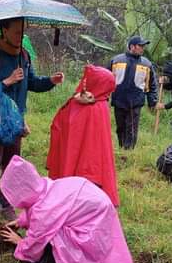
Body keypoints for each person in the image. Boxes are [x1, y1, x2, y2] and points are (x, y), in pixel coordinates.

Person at [0, 156, 140, 263]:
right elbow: (37, 205)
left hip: (91, 233)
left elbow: (35, 243)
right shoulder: (47, 186)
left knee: (46, 249)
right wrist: (21, 221)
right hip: (98, 223)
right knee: (53, 228)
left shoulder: (45, 211)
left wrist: (19, 242)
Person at [0, 17, 64, 224]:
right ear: (4, 30)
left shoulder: (24, 55)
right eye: (16, 32)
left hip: (16, 121)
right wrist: (6, 82)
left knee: (12, 165)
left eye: (23, 31)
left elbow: (32, 82)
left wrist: (50, 81)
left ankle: (7, 205)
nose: (20, 36)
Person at [46, 65, 119, 206]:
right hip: (92, 170)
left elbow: (60, 125)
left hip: (84, 167)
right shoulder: (101, 104)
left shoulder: (91, 106)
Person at [108, 36, 158, 149]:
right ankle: (122, 147)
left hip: (135, 101)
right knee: (120, 127)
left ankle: (129, 151)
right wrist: (103, 97)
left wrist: (152, 102)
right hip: (119, 100)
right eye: (140, 46)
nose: (143, 48)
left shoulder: (147, 64)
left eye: (143, 46)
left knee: (131, 128)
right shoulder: (116, 60)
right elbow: (105, 79)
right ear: (132, 47)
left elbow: (152, 85)